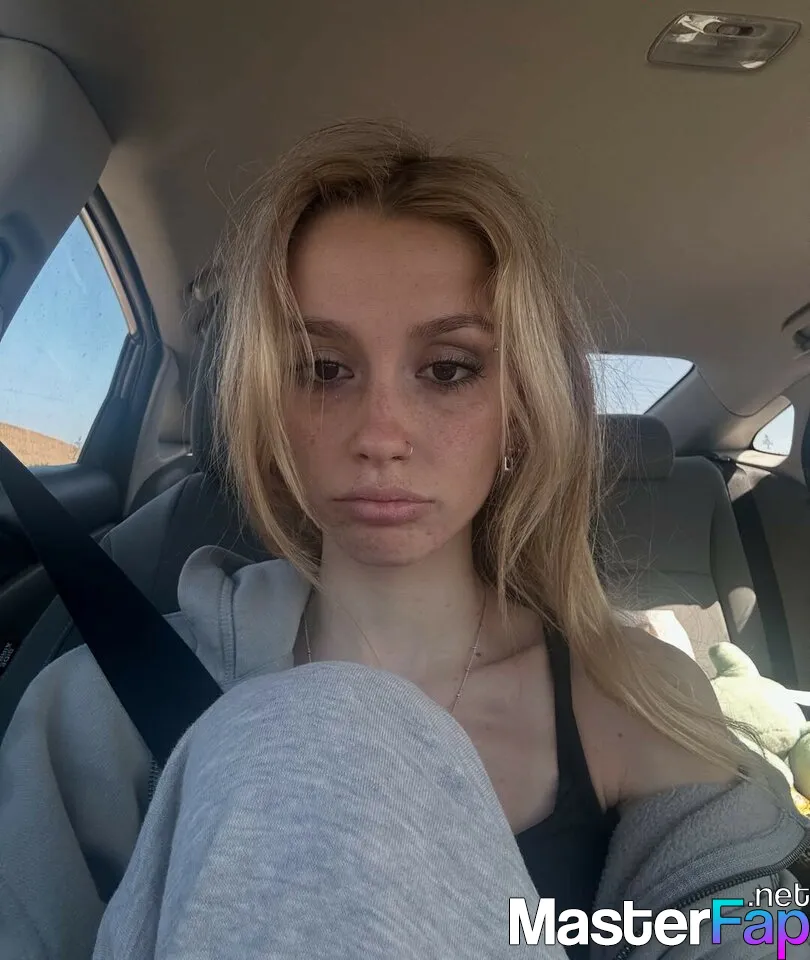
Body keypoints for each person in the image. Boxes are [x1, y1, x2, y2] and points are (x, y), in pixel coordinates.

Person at [1, 119, 808, 959]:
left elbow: (769, 932)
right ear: (267, 405)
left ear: (519, 413)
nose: (380, 435)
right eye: (323, 369)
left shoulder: (640, 698)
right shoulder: (99, 707)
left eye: (448, 370)